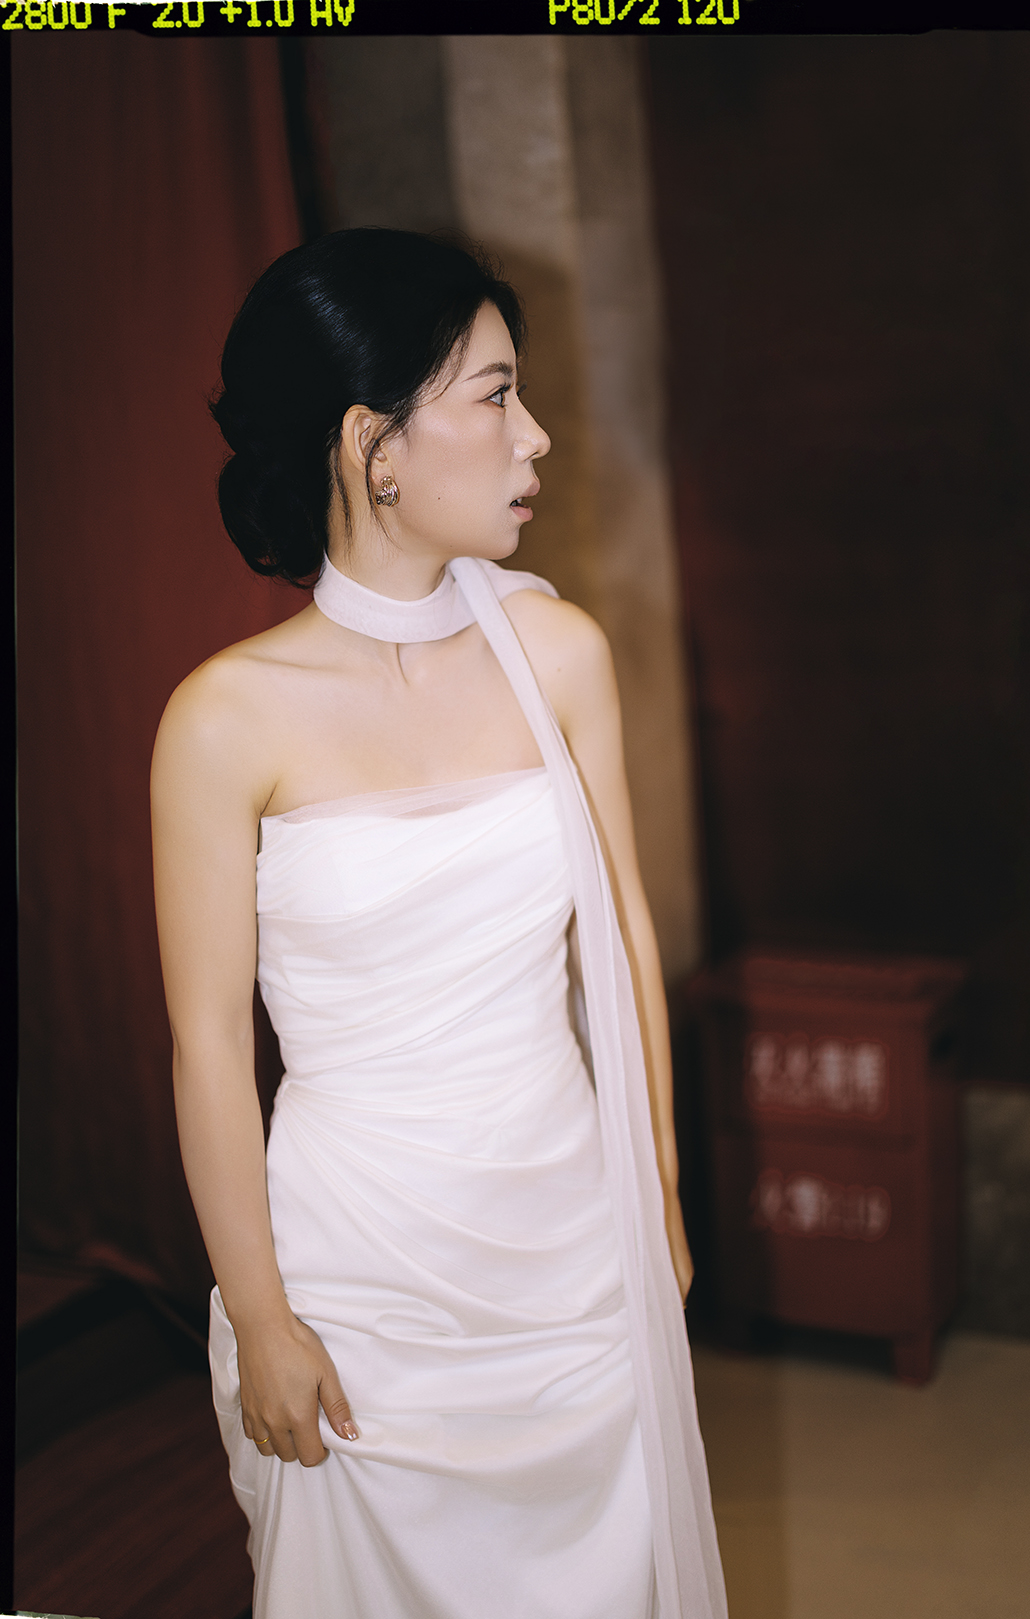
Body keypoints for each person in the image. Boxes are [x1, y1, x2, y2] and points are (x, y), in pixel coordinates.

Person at [151, 229, 727, 1619]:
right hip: (358, 1274)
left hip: (570, 1246)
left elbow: (619, 946)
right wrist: (263, 1315)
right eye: (497, 394)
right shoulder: (222, 721)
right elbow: (209, 1052)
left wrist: (653, 1195)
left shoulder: (560, 655)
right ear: (375, 446)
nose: (537, 437)